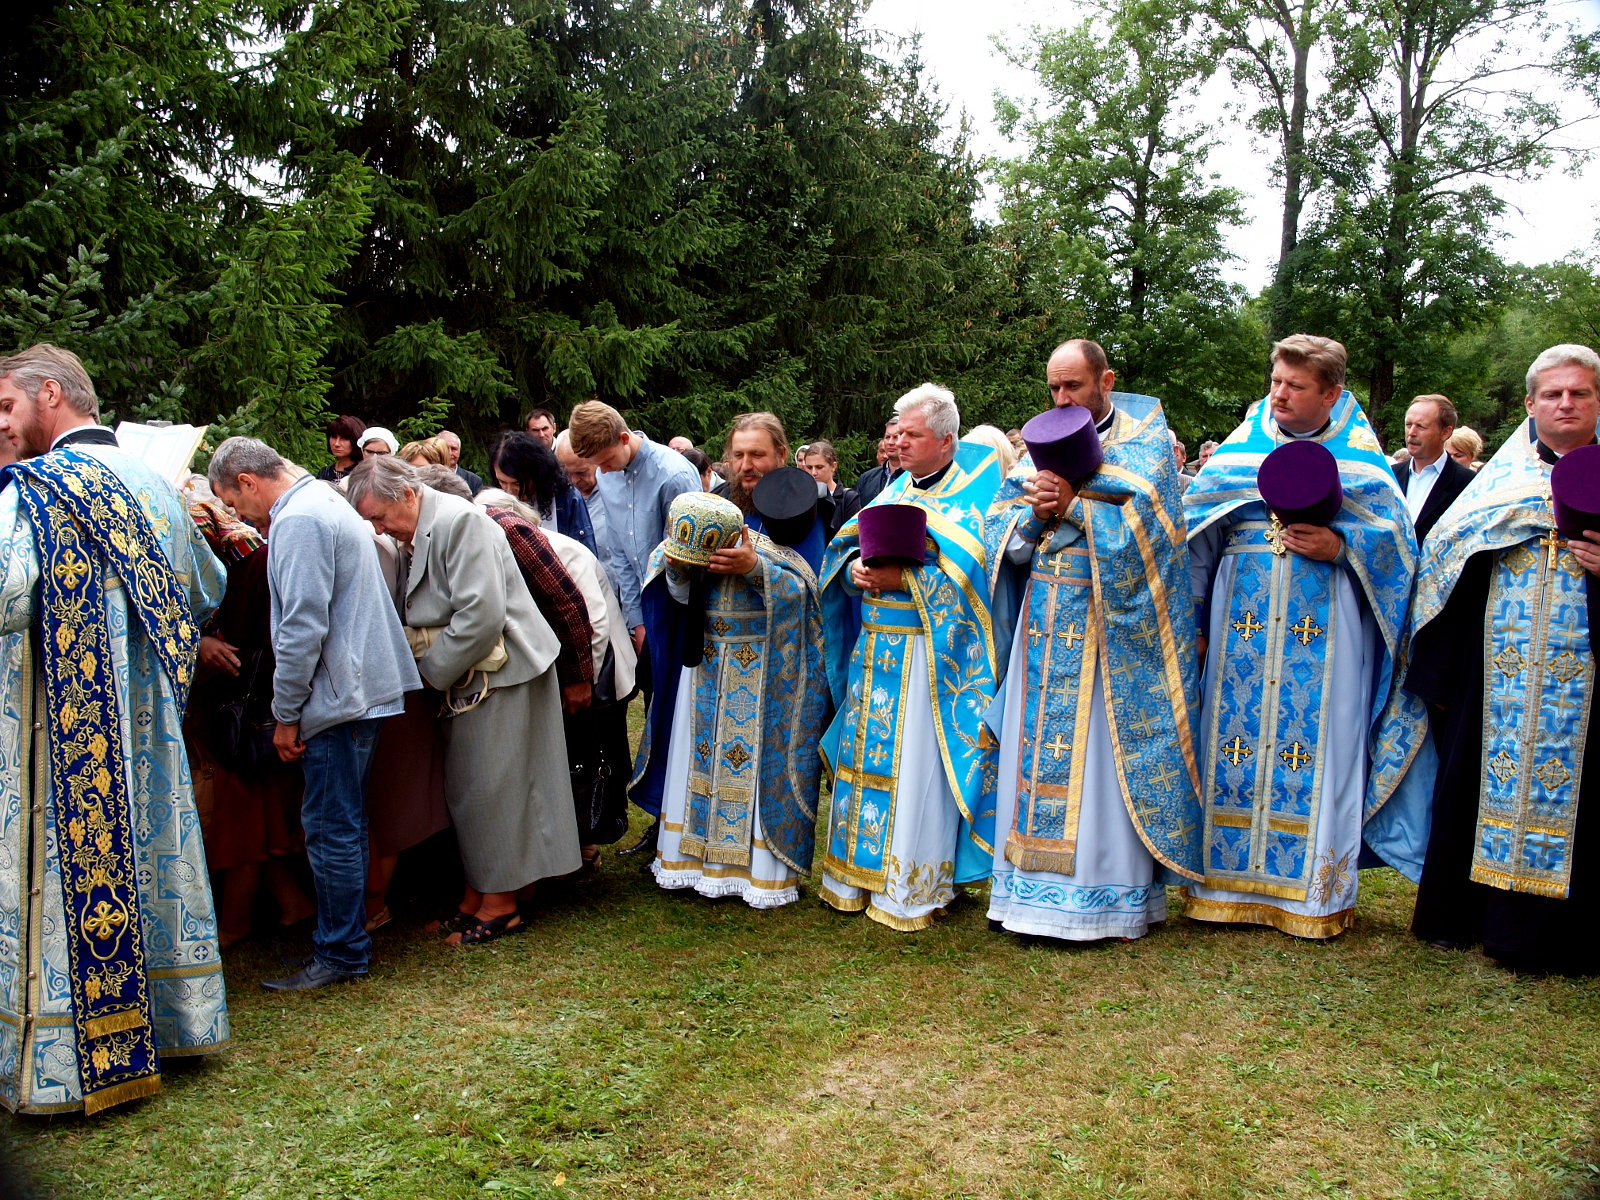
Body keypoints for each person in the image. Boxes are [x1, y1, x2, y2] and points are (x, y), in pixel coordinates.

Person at [0, 344, 229, 1113]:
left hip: (59, 726)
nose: (4, 425)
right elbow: (208, 585)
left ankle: (63, 1058)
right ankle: (174, 1022)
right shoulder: (154, 483)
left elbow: (6, 596)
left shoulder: (35, 491)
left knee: (65, 882)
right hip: (150, 719)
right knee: (153, 855)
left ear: (51, 395)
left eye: (7, 407)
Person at [1184, 334, 1419, 938]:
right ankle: (1219, 887)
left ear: (1332, 394)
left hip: (1328, 634)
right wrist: (1194, 618)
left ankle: (1312, 897)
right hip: (1240, 627)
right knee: (1228, 741)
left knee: (1323, 744)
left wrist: (1342, 546)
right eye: (1276, 381)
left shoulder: (1365, 469)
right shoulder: (1236, 457)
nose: (1280, 394)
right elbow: (1196, 541)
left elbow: (1400, 558)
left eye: (1296, 386)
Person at [983, 340, 1203, 942]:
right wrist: (1034, 516)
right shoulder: (1036, 451)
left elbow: (1156, 536)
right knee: (1035, 748)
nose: (1061, 399)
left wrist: (1079, 507)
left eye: (1073, 387)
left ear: (1106, 380)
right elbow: (999, 536)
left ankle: (1103, 899)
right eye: (1053, 388)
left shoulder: (1147, 444)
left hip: (1113, 632)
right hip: (1046, 624)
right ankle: (1026, 899)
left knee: (1100, 757)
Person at [1404, 344, 1600, 973]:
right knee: (1479, 781)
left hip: (1589, 680)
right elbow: (1446, 560)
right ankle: (1470, 918)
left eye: (1580, 393)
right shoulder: (1500, 485)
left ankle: (1573, 939)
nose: (1565, 403)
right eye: (1553, 394)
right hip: (1499, 677)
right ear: (1530, 404)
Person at [208, 438, 421, 990]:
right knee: (339, 822)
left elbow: (301, 628)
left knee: (331, 827)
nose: (237, 515)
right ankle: (342, 942)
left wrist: (285, 714)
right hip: (355, 690)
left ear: (248, 482)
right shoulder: (320, 502)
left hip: (339, 699)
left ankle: (341, 952)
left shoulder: (299, 518)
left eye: (232, 502)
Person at [347, 456, 581, 944]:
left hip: (504, 673)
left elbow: (481, 616)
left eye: (379, 516)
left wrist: (429, 674)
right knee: (474, 788)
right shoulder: (422, 527)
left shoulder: (461, 521)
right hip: (473, 675)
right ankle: (479, 893)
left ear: (408, 495)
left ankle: (502, 904)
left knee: (496, 788)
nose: (378, 528)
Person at [819, 384, 1003, 930]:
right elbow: (848, 545)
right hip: (875, 651)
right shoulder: (894, 486)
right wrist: (853, 570)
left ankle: (909, 887)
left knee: (916, 766)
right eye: (896, 433)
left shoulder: (977, 494)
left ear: (946, 439)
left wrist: (906, 579)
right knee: (864, 762)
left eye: (911, 434)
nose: (898, 443)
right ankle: (853, 876)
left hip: (929, 660)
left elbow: (976, 579)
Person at [634, 414, 829, 907]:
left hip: (766, 668)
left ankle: (757, 873)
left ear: (782, 456)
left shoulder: (802, 515)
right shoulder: (711, 508)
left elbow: (812, 599)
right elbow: (674, 590)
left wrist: (756, 567)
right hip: (706, 662)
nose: (747, 465)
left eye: (758, 454)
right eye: (739, 455)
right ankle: (691, 861)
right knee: (697, 758)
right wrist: (677, 568)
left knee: (754, 764)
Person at [566, 402, 701, 665]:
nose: (602, 472)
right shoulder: (607, 476)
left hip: (678, 608)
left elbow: (684, 563)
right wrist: (637, 621)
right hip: (641, 607)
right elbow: (620, 553)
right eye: (596, 466)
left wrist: (659, 620)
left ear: (624, 438)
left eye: (605, 461)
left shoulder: (674, 476)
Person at [489, 431, 597, 553]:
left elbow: (586, 553)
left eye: (517, 484)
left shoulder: (566, 497)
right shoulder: (493, 502)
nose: (509, 491)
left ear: (536, 474)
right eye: (502, 482)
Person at [1394, 394, 1475, 542]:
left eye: (1421, 426)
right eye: (1408, 424)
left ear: (1445, 432)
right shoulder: (1390, 476)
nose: (1411, 433)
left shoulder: (1468, 484)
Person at [801, 439, 861, 538]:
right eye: (809, 467)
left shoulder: (848, 498)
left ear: (833, 466)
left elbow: (851, 538)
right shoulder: (801, 496)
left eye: (819, 467)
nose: (813, 473)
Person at [853, 418, 902, 505]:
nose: (890, 442)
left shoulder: (915, 478)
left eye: (895, 437)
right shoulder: (866, 478)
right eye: (887, 437)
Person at [317, 415, 366, 482]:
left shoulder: (363, 473)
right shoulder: (325, 472)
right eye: (334, 437)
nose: (337, 444)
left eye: (344, 439)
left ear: (355, 440)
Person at [435, 429, 484, 495]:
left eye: (453, 449)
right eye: (445, 448)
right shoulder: (427, 477)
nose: (450, 453)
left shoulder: (474, 481)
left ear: (459, 451)